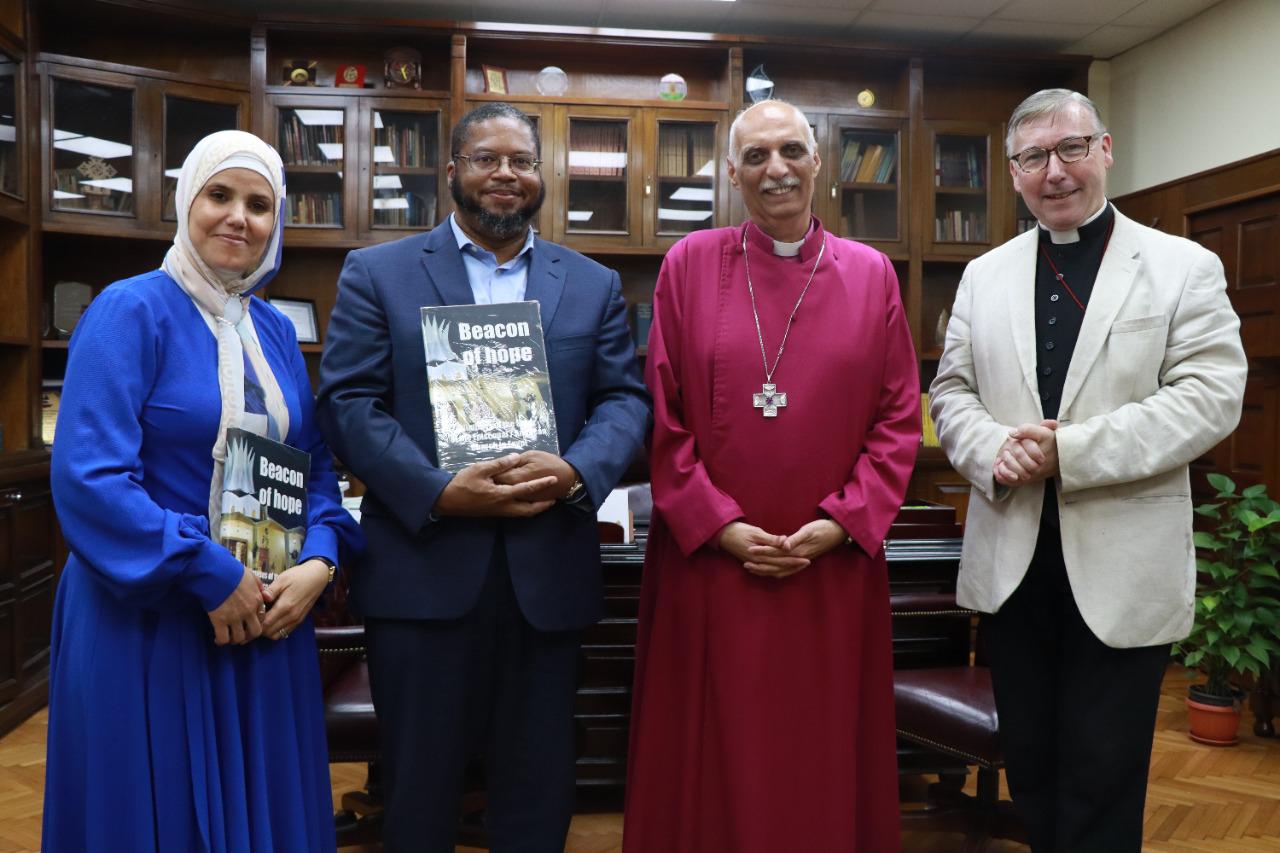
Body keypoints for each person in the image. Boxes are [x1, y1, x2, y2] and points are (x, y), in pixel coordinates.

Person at [315, 102, 650, 852]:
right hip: (422, 573)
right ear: (452, 170)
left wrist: (576, 469)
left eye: (521, 161)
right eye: (487, 158)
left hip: (547, 580)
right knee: (418, 796)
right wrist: (436, 490)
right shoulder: (378, 273)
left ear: (540, 175)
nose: (506, 174)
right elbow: (347, 403)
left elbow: (625, 400)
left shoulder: (592, 284)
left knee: (537, 794)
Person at [929, 89, 1248, 851]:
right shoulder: (983, 275)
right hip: (1014, 567)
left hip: (1123, 567)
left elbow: (1210, 396)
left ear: (1105, 149)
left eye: (1071, 148)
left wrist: (1068, 451)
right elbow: (952, 391)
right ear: (1013, 172)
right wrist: (994, 448)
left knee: (1104, 773)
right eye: (1034, 156)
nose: (1055, 171)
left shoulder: (1182, 267)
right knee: (1033, 769)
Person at [42, 130, 364, 852]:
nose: (238, 218)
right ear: (187, 200)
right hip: (150, 614)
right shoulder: (128, 310)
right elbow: (90, 478)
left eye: (259, 204)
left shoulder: (275, 331)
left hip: (265, 619)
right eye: (220, 195)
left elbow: (312, 466)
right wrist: (210, 574)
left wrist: (319, 560)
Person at [623, 99, 919, 852]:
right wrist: (718, 525)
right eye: (755, 156)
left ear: (818, 162)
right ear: (732, 174)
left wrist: (841, 522)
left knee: (815, 750)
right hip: (712, 566)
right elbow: (663, 415)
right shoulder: (689, 265)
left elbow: (898, 419)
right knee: (711, 751)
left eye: (790, 151)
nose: (775, 169)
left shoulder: (872, 275)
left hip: (830, 569)